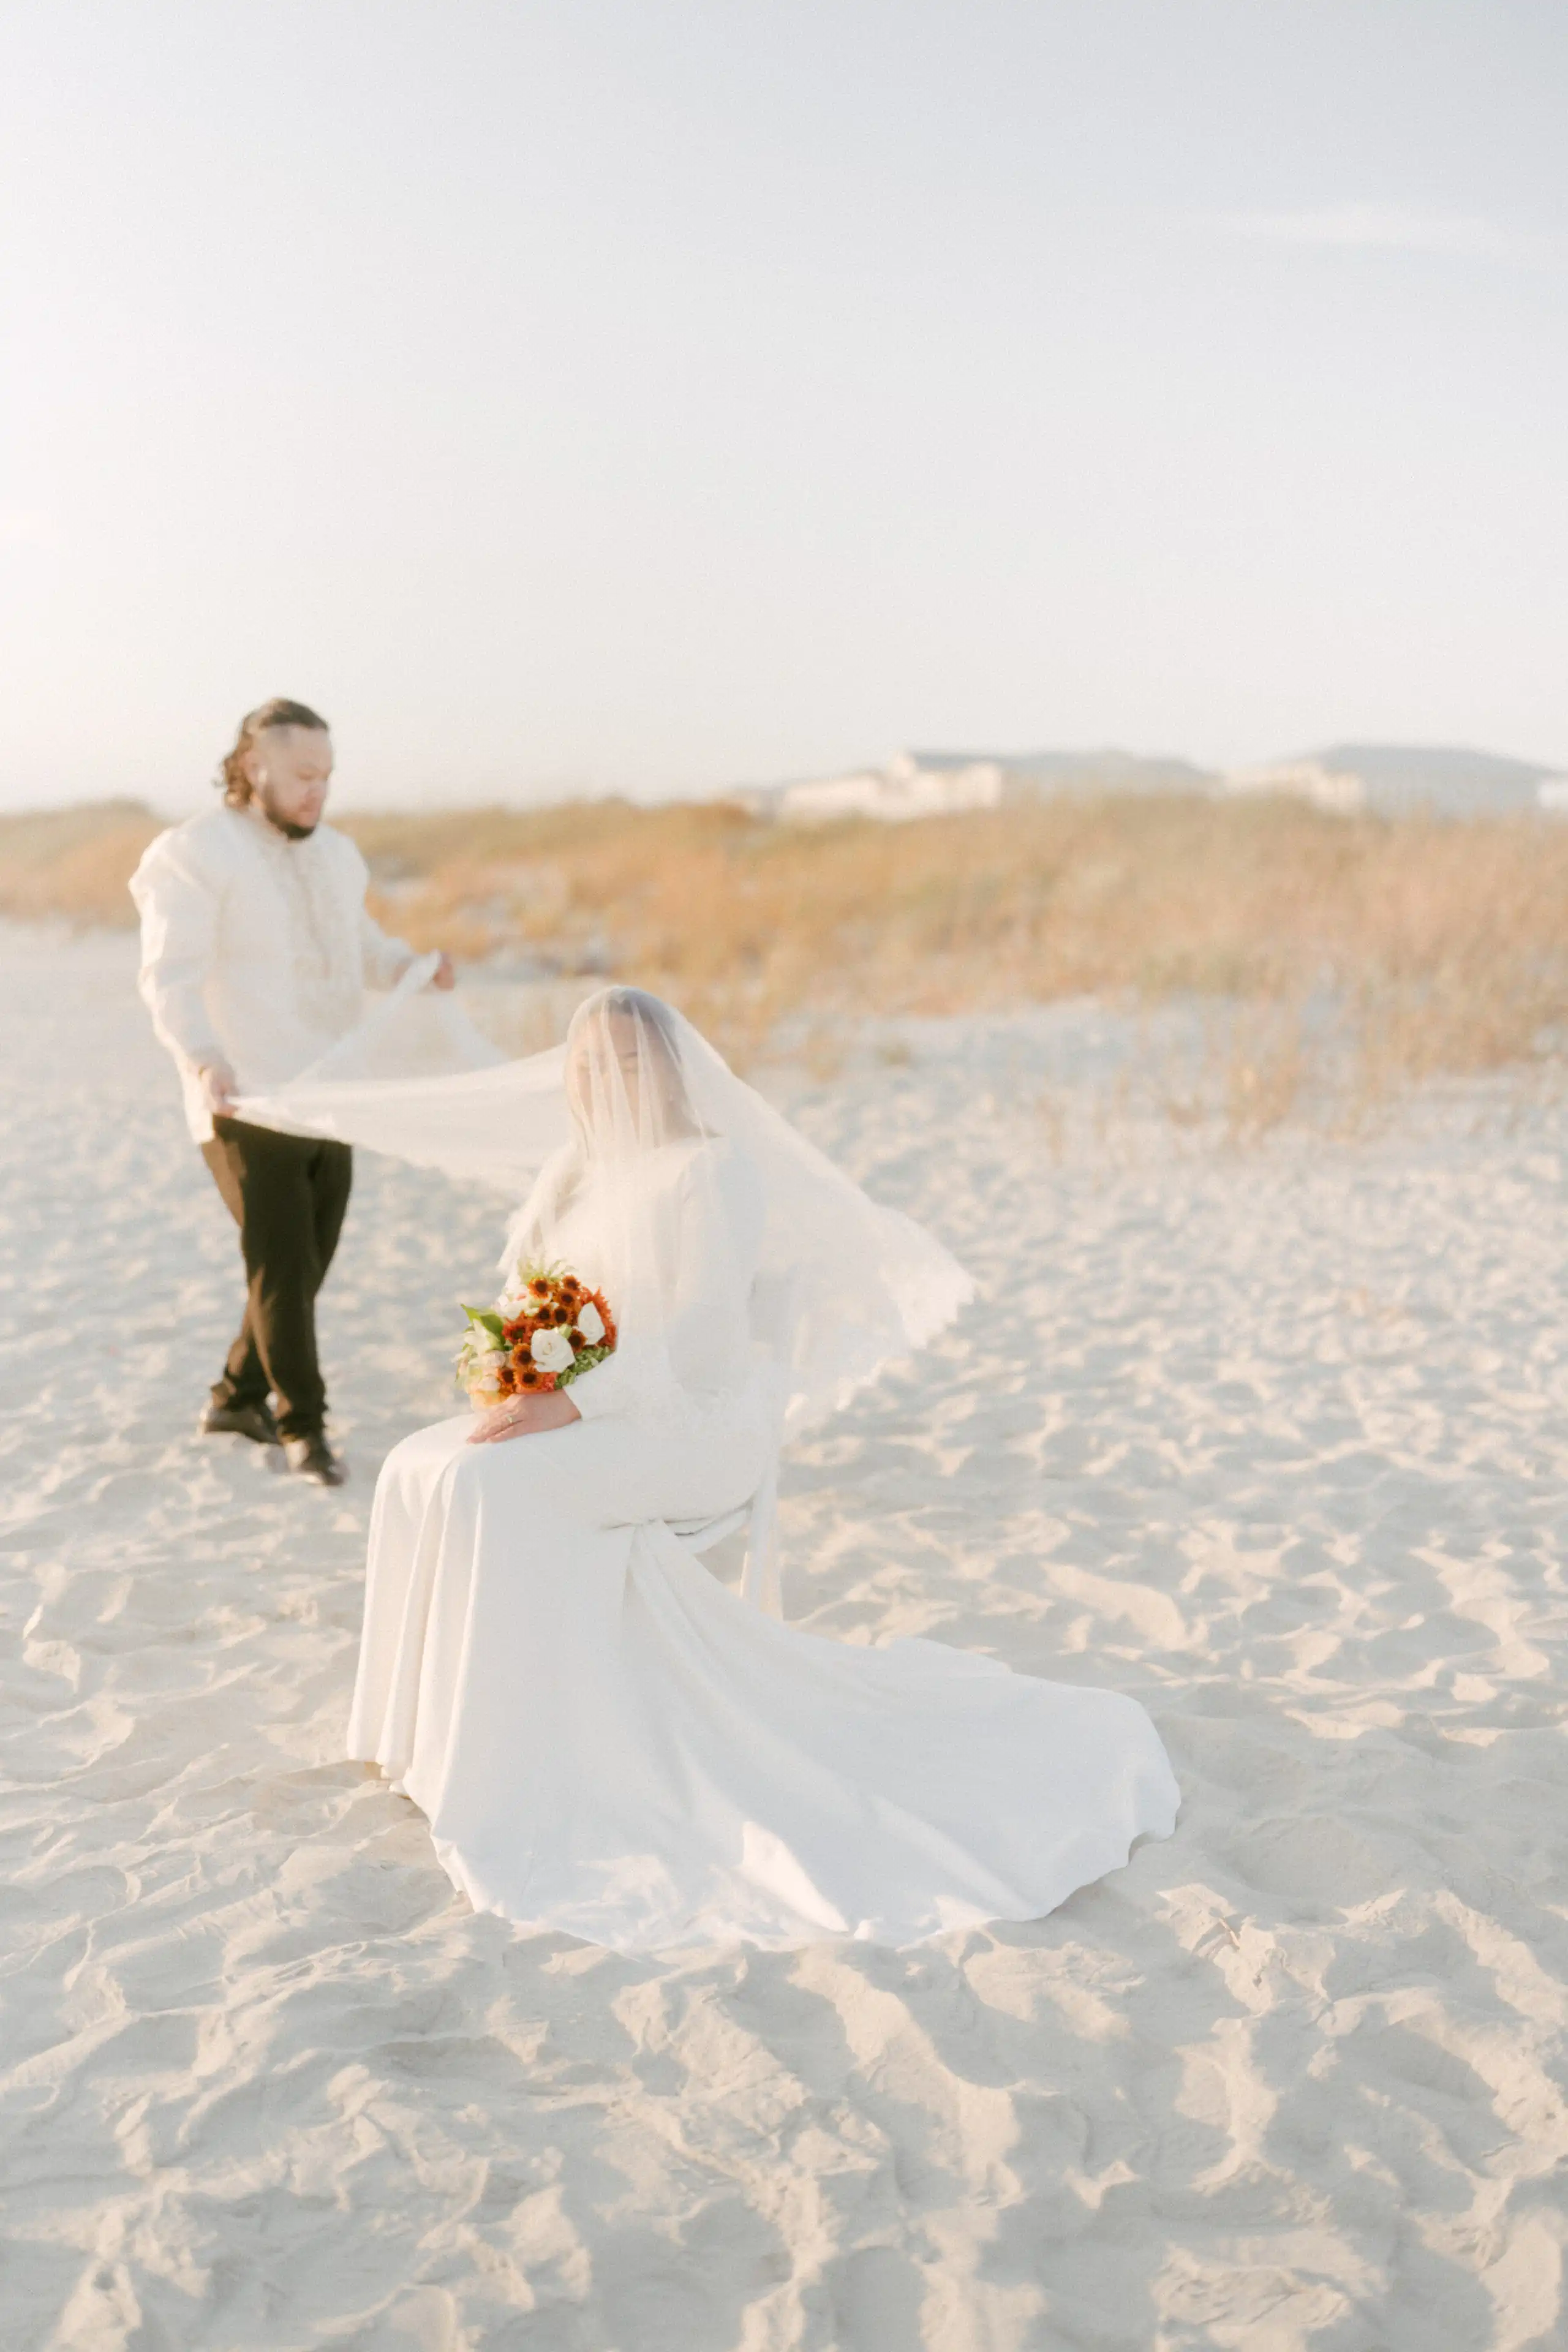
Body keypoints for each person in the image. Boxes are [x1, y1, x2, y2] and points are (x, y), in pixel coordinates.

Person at [245, 984, 1180, 1948]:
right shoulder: (577, 1171)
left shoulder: (711, 1171)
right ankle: (421, 1743)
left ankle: (518, 1762)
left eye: (629, 1059)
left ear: (672, 1068)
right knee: (412, 1464)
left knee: (487, 1484)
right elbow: (528, 1292)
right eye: (587, 1061)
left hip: (689, 1423)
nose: (604, 1077)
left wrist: (571, 1395)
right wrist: (513, 1360)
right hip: (597, 1398)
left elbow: (695, 1338)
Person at [129, 698, 455, 1486]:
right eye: (304, 775)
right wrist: (203, 1059)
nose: (319, 792)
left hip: (332, 1091)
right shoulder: (193, 853)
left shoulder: (338, 855)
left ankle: (234, 1397)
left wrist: (413, 966)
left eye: (328, 776)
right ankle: (302, 1427)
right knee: (280, 1268)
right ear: (252, 767)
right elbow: (167, 974)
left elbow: (361, 947)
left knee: (304, 1266)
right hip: (244, 1096)